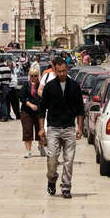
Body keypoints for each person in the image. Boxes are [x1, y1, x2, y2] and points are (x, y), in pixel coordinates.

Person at [38, 58, 85, 199]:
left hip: (69, 127)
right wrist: (41, 128)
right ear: (55, 70)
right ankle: (52, 179)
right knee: (52, 157)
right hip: (53, 127)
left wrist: (80, 128)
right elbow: (42, 108)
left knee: (69, 159)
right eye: (59, 71)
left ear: (67, 69)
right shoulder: (50, 86)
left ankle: (66, 187)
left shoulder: (75, 86)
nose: (62, 73)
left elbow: (80, 109)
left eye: (64, 70)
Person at [19, 68, 43, 158]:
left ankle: (41, 146)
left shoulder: (41, 85)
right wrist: (30, 104)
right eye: (32, 76)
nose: (33, 78)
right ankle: (28, 150)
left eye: (35, 76)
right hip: (27, 110)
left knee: (40, 130)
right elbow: (21, 97)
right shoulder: (26, 85)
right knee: (27, 130)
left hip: (38, 111)